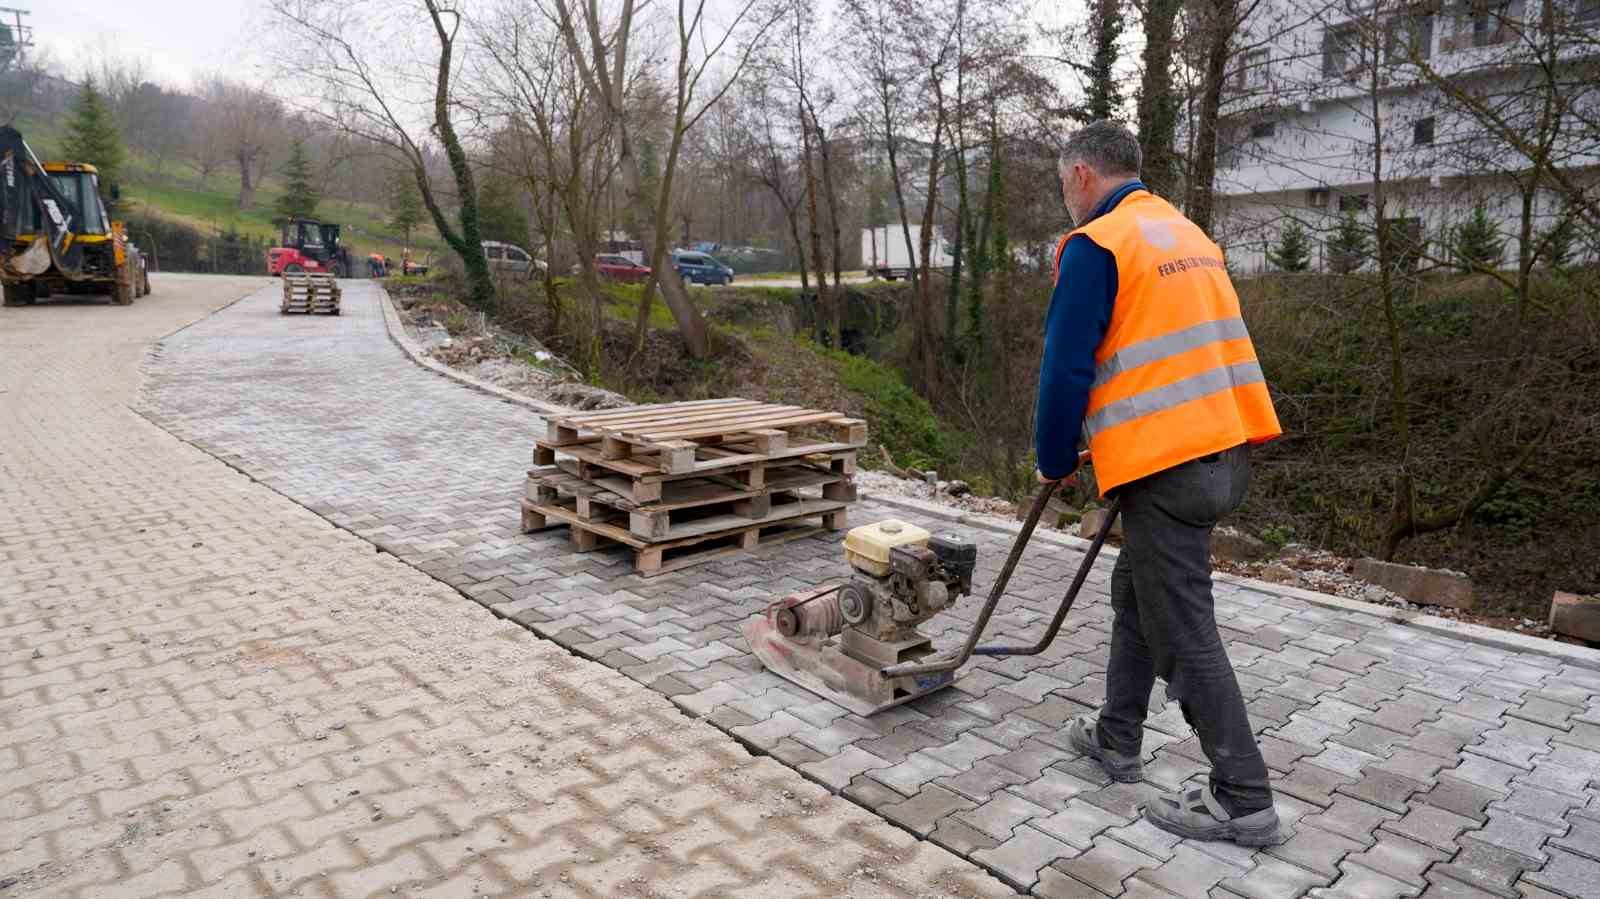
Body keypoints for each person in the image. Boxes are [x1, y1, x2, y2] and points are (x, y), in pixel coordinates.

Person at [1034, 121, 1284, 846]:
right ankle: (1117, 736)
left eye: (1062, 186)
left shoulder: (1097, 246)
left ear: (1082, 175)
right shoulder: (1186, 234)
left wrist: (1054, 456)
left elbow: (1065, 370)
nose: (1065, 201)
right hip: (1224, 449)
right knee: (1136, 591)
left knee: (1183, 626)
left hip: (1168, 466)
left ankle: (1244, 797)